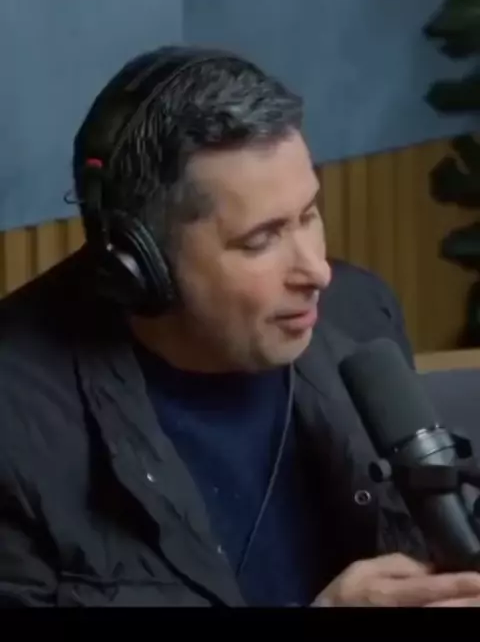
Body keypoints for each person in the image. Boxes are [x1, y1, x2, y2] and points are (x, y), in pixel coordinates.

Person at [1, 44, 480, 608]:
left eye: (309, 215)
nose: (318, 271)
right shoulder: (17, 425)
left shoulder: (359, 314)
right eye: (261, 240)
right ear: (141, 263)